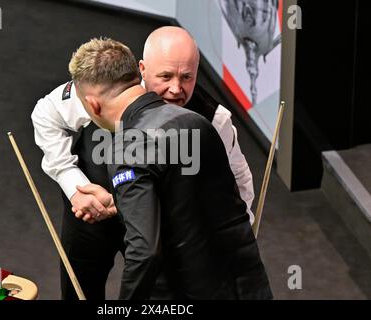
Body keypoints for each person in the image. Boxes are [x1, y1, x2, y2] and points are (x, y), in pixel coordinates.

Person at [32, 26, 254, 299]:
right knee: (78, 292)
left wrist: (235, 237)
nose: (175, 88)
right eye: (165, 76)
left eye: (187, 77)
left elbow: (237, 181)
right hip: (91, 211)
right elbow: (45, 114)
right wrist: (72, 183)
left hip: (156, 223)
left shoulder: (211, 118)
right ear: (142, 70)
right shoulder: (105, 88)